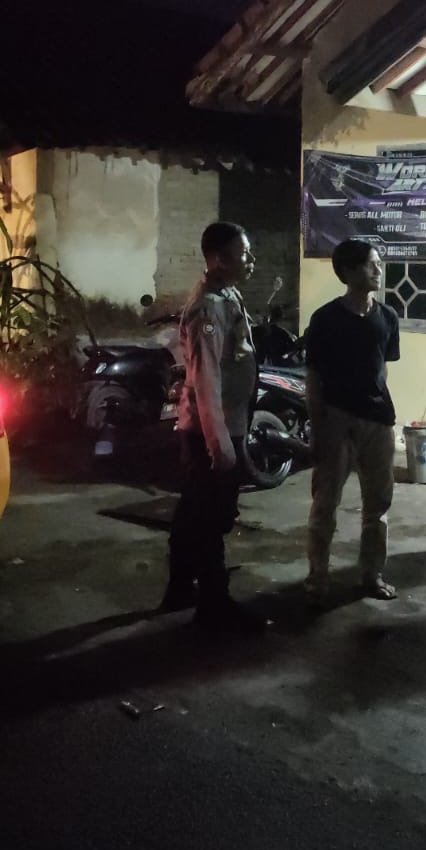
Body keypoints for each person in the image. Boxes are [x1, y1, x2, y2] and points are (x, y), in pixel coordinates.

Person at [163, 221, 267, 633]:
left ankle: (179, 587)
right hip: (211, 429)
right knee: (211, 517)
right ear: (219, 260)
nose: (251, 259)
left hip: (221, 424)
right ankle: (214, 605)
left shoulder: (227, 294)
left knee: (194, 511)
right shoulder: (208, 307)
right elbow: (206, 379)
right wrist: (220, 443)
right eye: (243, 253)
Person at [304, 238, 402, 603]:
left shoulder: (387, 317)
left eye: (378, 263)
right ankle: (317, 579)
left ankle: (371, 575)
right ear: (348, 272)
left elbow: (382, 369)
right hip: (337, 419)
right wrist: (318, 429)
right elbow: (313, 378)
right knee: (325, 503)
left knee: (378, 504)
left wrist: (380, 410)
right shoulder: (325, 319)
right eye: (370, 264)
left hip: (378, 421)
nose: (378, 270)